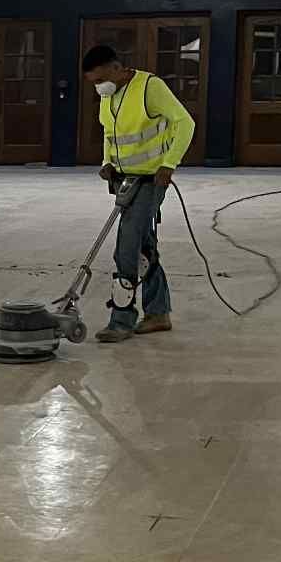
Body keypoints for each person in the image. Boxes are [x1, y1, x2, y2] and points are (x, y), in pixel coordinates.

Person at [82, 42, 194, 342]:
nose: (98, 86)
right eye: (93, 82)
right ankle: (158, 313)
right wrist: (107, 162)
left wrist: (169, 163)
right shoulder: (110, 95)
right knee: (144, 247)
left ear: (118, 69)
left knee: (126, 249)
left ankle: (121, 320)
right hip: (123, 179)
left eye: (101, 79)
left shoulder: (150, 87)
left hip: (150, 180)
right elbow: (110, 132)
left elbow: (185, 122)